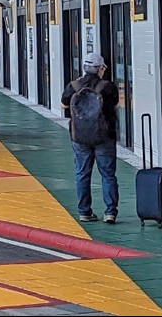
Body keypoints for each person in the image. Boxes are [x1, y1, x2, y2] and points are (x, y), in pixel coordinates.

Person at [61, 53, 120, 224]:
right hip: (104, 136)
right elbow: (115, 104)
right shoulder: (107, 87)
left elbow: (63, 104)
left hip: (79, 137)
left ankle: (84, 212)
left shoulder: (74, 85)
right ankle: (110, 212)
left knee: (82, 174)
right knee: (108, 175)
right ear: (100, 68)